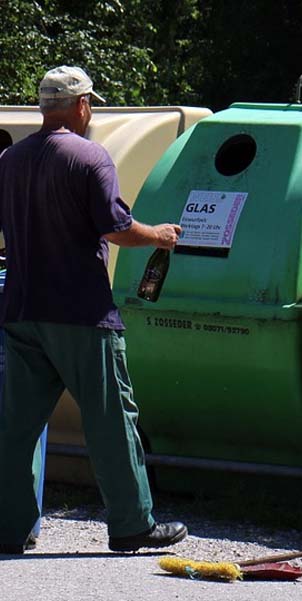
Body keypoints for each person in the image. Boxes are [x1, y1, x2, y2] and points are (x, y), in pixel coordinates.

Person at [0, 66, 188, 554]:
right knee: (111, 420)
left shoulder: (10, 160)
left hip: (21, 310)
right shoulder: (90, 157)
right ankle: (132, 525)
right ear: (82, 105)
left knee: (16, 427)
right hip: (81, 313)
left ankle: (9, 528)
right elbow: (115, 227)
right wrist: (160, 236)